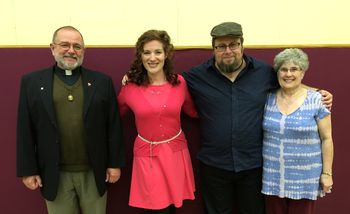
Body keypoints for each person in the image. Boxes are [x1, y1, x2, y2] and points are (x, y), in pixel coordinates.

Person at [182, 22, 333, 214]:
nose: (228, 50)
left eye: (234, 44)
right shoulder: (196, 76)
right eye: (221, 46)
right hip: (214, 165)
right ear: (214, 49)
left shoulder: (263, 72)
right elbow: (165, 85)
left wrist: (317, 91)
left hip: (253, 165)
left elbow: (289, 83)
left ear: (242, 45)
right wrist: (131, 80)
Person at [16, 26, 125, 214]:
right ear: (52, 47)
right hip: (54, 174)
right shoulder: (32, 82)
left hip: (94, 172)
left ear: (84, 50)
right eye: (64, 45)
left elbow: (113, 126)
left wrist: (114, 164)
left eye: (77, 46)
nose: (71, 51)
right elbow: (25, 129)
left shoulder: (102, 82)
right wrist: (28, 170)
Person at [118, 30, 197, 214]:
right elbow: (114, 118)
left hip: (176, 153)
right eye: (147, 52)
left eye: (158, 52)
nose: (152, 58)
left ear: (166, 54)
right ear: (140, 56)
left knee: (173, 208)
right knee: (156, 208)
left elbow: (193, 112)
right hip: (148, 155)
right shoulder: (130, 87)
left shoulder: (179, 83)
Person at [261, 48, 334, 214]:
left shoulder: (317, 100)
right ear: (277, 73)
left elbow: (327, 138)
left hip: (305, 177)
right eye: (283, 69)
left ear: (303, 73)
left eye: (294, 69)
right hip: (273, 177)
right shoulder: (267, 98)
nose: (288, 74)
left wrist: (327, 173)